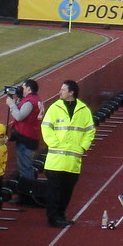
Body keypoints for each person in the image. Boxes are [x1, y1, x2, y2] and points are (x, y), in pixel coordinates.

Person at [42, 79, 95, 228]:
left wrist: (82, 147)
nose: (60, 92)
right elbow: (46, 127)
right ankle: (53, 218)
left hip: (72, 160)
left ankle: (61, 215)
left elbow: (90, 130)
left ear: (71, 92)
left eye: (63, 90)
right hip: (56, 160)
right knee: (53, 192)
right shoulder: (54, 108)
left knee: (66, 192)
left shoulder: (83, 110)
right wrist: (54, 143)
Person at [6, 79, 43, 186]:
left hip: (26, 138)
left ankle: (28, 193)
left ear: (29, 88)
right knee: (26, 166)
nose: (21, 89)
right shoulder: (36, 100)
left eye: (23, 87)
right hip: (32, 137)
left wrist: (11, 104)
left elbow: (19, 116)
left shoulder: (30, 101)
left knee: (25, 167)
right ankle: (28, 191)